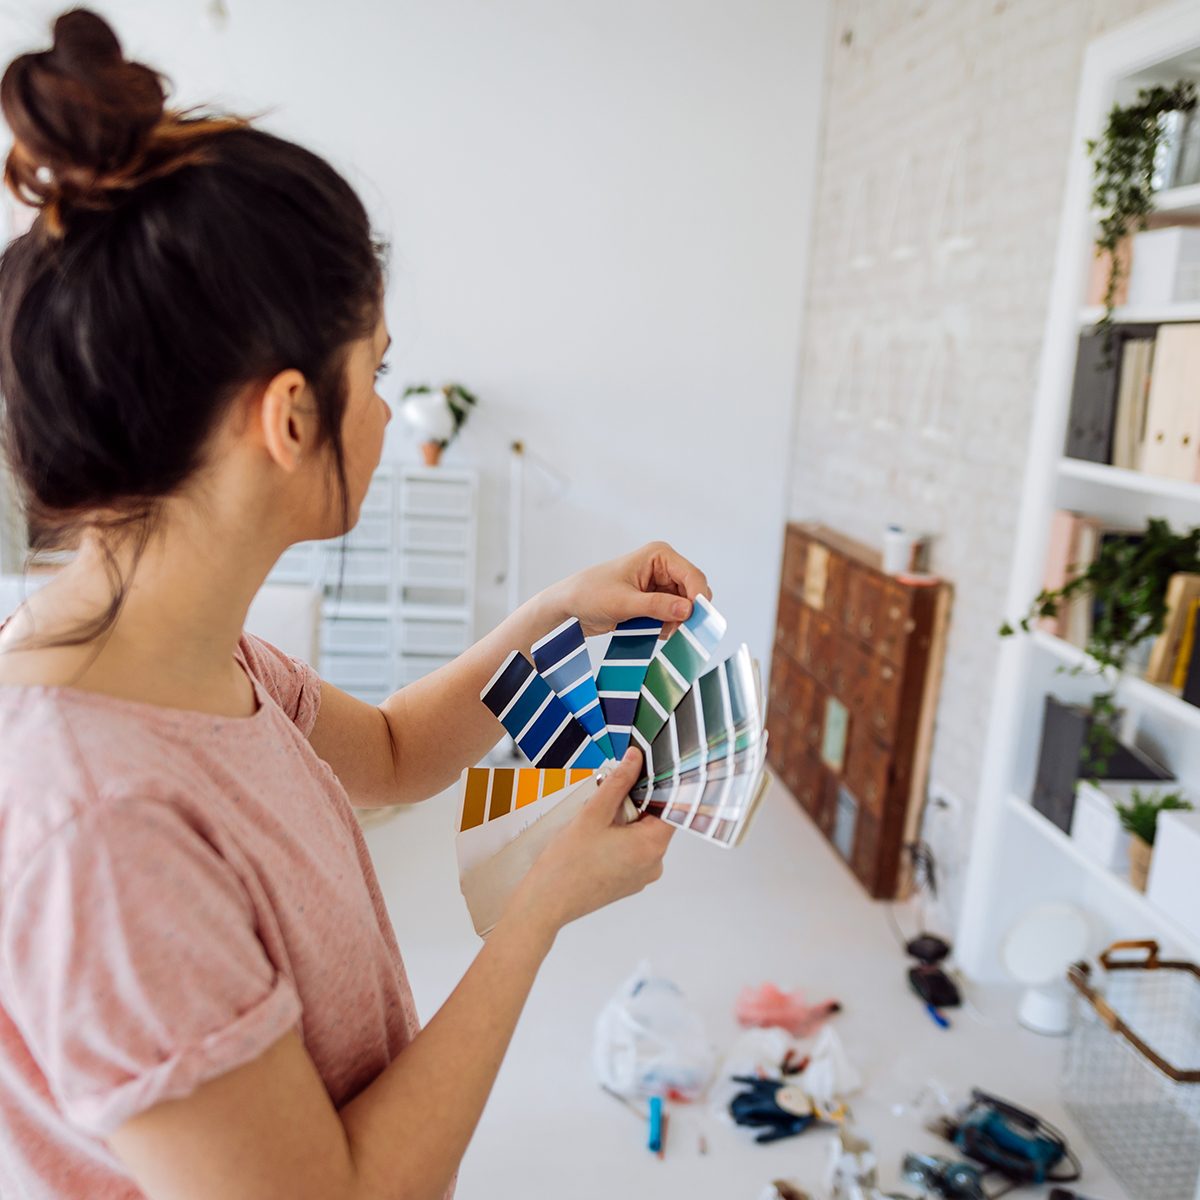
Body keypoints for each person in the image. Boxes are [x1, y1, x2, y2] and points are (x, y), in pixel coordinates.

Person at [0, 10, 709, 1199]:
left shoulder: (179, 653)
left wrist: (559, 615)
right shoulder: (100, 831)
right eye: (374, 372)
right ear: (287, 419)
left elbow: (389, 752)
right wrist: (538, 910)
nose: (385, 411)